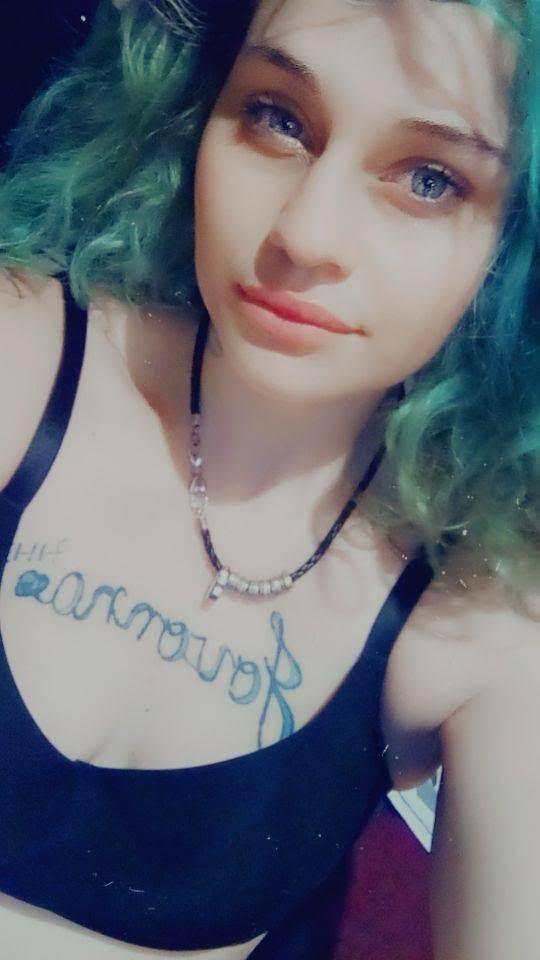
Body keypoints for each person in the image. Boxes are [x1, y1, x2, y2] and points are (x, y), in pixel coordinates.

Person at [0, 0, 538, 957]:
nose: (305, 232)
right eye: (277, 117)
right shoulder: (23, 355)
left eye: (429, 179)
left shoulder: (475, 628)